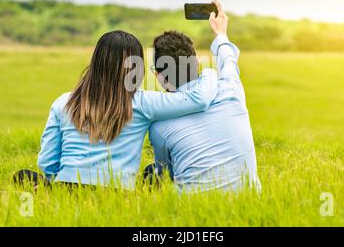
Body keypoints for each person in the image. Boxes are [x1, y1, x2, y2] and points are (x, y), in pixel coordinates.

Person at [14, 30, 218, 189]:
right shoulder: (143, 103)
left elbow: (47, 164)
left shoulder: (63, 103)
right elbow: (198, 99)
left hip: (66, 188)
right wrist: (207, 70)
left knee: (23, 176)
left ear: (96, 62)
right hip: (118, 193)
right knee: (152, 173)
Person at [149, 0, 261, 193]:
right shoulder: (231, 90)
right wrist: (221, 33)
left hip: (191, 213)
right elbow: (228, 61)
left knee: (151, 174)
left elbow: (166, 174)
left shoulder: (160, 126)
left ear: (158, 75)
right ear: (197, 65)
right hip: (250, 204)